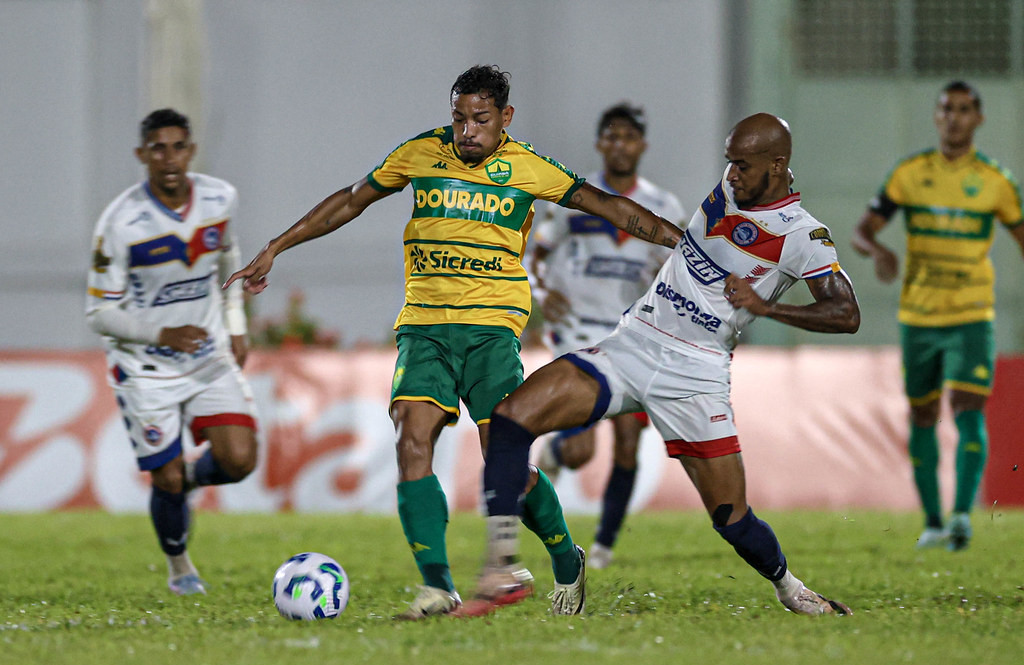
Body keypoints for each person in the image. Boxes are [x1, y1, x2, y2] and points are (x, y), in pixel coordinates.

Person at [224, 65, 683, 620]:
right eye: (459, 118)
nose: (467, 130)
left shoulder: (528, 166)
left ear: (505, 118)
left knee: (505, 461)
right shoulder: (419, 153)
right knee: (411, 436)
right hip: (424, 326)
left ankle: (567, 558)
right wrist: (277, 245)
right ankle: (438, 587)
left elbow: (606, 204)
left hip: (491, 329)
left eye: (481, 120)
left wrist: (681, 243)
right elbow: (351, 199)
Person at [457, 112, 860, 618]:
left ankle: (791, 589)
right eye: (728, 162)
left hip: (695, 372)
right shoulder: (732, 190)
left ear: (777, 165)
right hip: (634, 343)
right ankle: (504, 568)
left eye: (741, 165)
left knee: (731, 518)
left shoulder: (804, 237)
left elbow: (846, 314)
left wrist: (766, 307)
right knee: (510, 420)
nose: (730, 175)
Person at [86, 108, 258, 595]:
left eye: (178, 146)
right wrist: (162, 335)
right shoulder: (120, 224)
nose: (169, 157)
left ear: (191, 150)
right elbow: (98, 313)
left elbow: (227, 256)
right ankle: (180, 567)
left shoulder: (219, 198)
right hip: (144, 366)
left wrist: (236, 323)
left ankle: (188, 477)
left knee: (240, 460)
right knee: (162, 477)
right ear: (142, 154)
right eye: (157, 148)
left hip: (205, 354)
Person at [852, 81, 1024, 552]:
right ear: (936, 115)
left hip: (971, 314)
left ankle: (963, 516)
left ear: (978, 119)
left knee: (969, 410)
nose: (955, 117)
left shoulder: (996, 181)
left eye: (964, 110)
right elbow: (862, 230)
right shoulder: (910, 174)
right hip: (920, 316)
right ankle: (932, 523)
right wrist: (879, 250)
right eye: (947, 108)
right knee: (923, 413)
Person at [529, 102, 686, 570]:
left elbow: (675, 271)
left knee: (627, 443)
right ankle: (555, 452)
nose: (620, 145)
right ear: (600, 144)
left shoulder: (664, 206)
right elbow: (535, 254)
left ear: (642, 146)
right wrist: (540, 291)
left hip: (629, 331)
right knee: (581, 450)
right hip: (575, 328)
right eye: (611, 136)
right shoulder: (575, 195)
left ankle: (601, 549)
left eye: (628, 137)